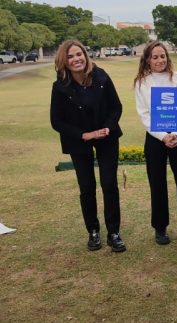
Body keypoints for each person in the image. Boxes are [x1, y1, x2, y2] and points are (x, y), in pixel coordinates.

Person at [50, 40, 126, 252]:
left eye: (79, 54)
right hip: (79, 141)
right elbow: (56, 121)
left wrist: (107, 128)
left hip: (106, 137)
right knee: (87, 187)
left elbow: (116, 107)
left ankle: (114, 232)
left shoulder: (101, 76)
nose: (76, 59)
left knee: (109, 184)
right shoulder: (60, 87)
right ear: (64, 61)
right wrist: (84, 135)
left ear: (85, 55)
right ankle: (93, 231)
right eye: (70, 57)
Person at [134, 41, 177, 246]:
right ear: (147, 60)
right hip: (155, 139)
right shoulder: (141, 82)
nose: (160, 60)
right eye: (155, 57)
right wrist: (163, 136)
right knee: (157, 183)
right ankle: (160, 228)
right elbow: (144, 115)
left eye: (163, 56)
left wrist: (176, 134)